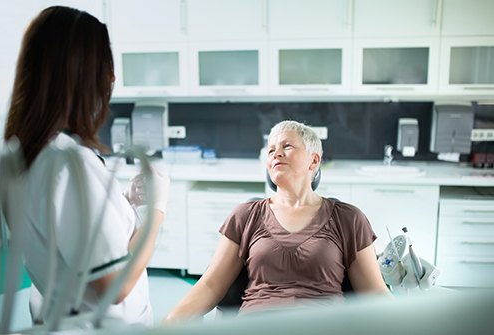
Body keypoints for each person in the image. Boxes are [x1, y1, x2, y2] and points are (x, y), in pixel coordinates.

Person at [0, 6, 169, 326]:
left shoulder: (24, 153)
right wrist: (156, 212)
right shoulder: (69, 165)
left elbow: (63, 232)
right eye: (106, 64)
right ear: (85, 74)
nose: (113, 78)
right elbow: (114, 286)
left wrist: (122, 203)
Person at [165, 120, 389, 323]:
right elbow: (211, 285)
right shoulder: (246, 215)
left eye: (287, 146)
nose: (276, 154)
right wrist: (170, 322)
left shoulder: (348, 219)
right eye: (271, 150)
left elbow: (375, 294)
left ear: (314, 160)